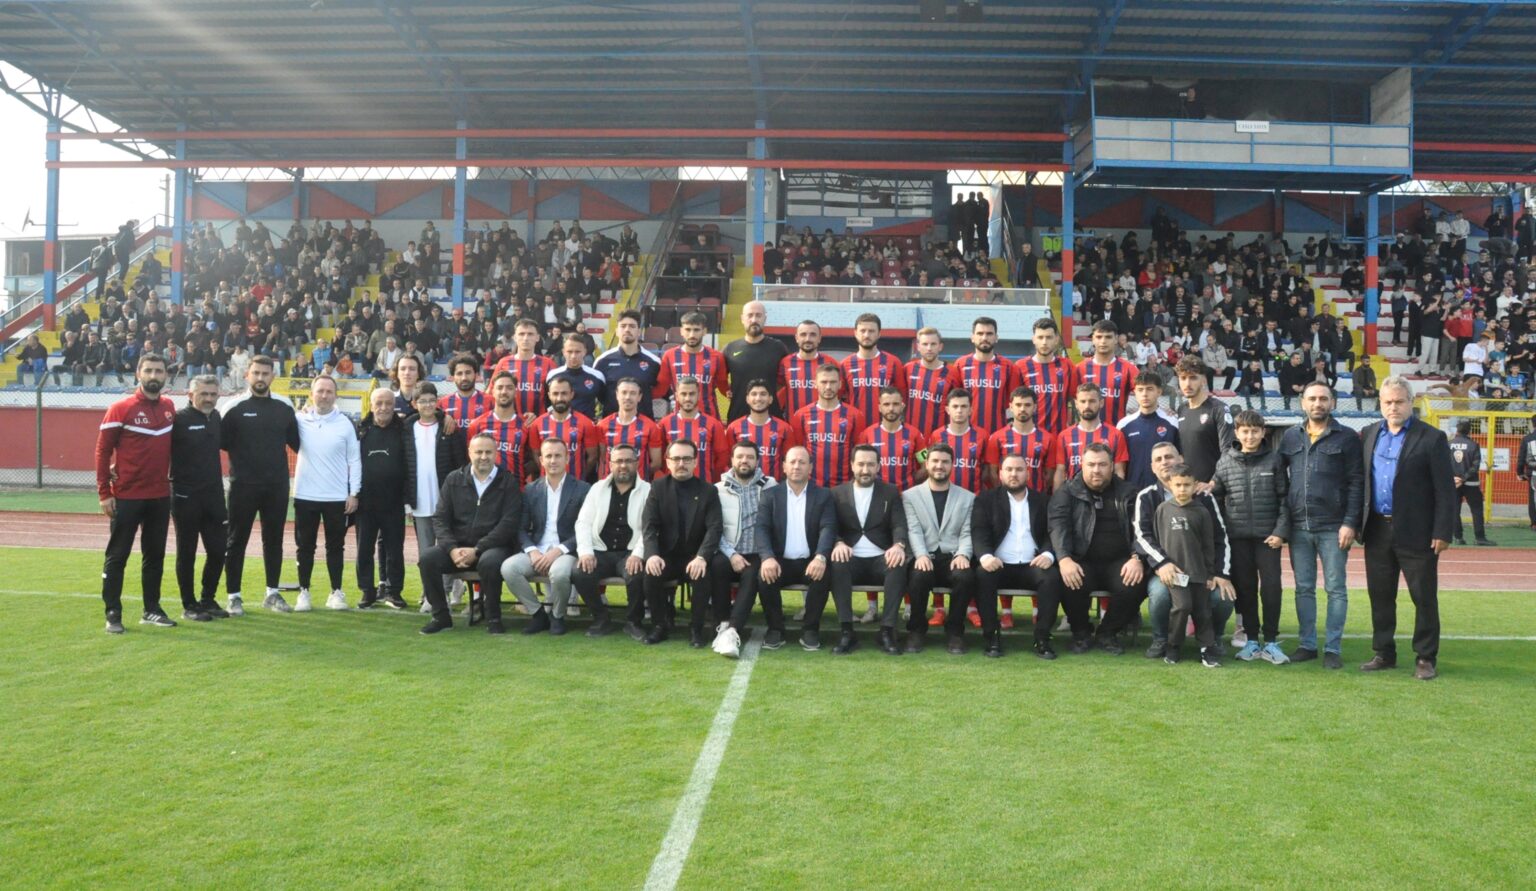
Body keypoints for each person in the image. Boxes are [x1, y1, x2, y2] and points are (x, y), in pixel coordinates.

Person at [1359, 377, 1457, 681]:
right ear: (1380, 403)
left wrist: (1443, 531)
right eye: (1387, 402)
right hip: (1377, 529)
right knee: (1380, 595)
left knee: (1423, 597)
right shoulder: (1368, 434)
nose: (1393, 407)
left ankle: (1426, 657)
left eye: (1399, 401)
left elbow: (1445, 490)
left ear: (1410, 402)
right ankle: (1384, 652)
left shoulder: (1432, 438)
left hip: (1418, 532)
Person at [1278, 381, 1365, 668]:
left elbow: (1356, 483)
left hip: (1333, 526)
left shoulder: (1348, 438)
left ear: (1333, 403)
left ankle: (1333, 649)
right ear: (1303, 403)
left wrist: (1350, 522)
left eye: (1323, 399)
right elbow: (1280, 481)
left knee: (1336, 588)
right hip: (1298, 527)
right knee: (1303, 587)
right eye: (1312, 399)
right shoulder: (1290, 437)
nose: (1318, 403)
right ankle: (1307, 644)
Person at [95, 353, 178, 633]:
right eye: (149, 371)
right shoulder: (120, 408)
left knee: (154, 557)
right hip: (127, 496)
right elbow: (102, 451)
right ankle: (113, 613)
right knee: (118, 556)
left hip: (159, 496)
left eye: (159, 371)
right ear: (138, 374)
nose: (154, 376)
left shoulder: (169, 407)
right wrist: (104, 492)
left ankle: (151, 609)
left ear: (166, 375)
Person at [1131, 441, 1236, 660]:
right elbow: (1143, 536)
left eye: (1169, 457)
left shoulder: (1204, 498)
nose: (1164, 462)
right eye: (1158, 459)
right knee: (1160, 594)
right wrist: (1162, 563)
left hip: (1200, 570)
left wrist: (1220, 573)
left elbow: (1219, 537)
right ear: (1152, 467)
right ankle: (1162, 639)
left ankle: (1212, 641)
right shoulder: (1147, 497)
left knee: (1223, 596)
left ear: (1180, 460)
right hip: (1164, 569)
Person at [418, 432, 523, 635]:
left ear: (496, 454)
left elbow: (509, 523)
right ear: (469, 452)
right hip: (457, 548)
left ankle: (493, 618)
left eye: (488, 452)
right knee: (428, 558)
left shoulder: (507, 481)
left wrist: (478, 548)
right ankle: (441, 617)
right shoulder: (454, 479)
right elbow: (440, 519)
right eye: (479, 452)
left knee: (490, 562)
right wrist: (451, 549)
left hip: (492, 548)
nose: (483, 457)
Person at [1048, 443, 1147, 654]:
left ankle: (1108, 632)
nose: (1096, 470)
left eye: (1102, 464)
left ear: (1112, 466)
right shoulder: (1067, 492)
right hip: (1080, 559)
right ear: (1081, 465)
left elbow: (1142, 529)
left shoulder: (1129, 493)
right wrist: (1064, 559)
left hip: (1120, 560)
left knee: (1133, 583)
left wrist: (1137, 557)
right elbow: (1058, 527)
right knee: (1069, 581)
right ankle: (1081, 633)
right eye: (1091, 464)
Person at [1210, 410, 1290, 663]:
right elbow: (1215, 498)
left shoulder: (1275, 460)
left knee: (1272, 589)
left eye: (1255, 430)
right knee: (1245, 589)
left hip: (1269, 539)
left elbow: (1285, 500)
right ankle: (1252, 640)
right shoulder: (1225, 461)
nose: (1250, 435)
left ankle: (1272, 641)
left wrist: (1280, 532)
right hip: (1238, 539)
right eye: (1245, 431)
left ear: (1263, 432)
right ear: (1237, 433)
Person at [222, 355, 299, 615]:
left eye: (266, 374)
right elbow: (219, 443)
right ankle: (233, 596)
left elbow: (296, 442)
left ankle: (273, 593)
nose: (261, 378)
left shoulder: (285, 406)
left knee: (274, 540)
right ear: (247, 375)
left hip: (276, 486)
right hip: (242, 486)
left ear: (273, 377)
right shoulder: (232, 406)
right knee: (236, 540)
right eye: (256, 373)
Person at [970, 454, 1065, 659]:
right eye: (1009, 470)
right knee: (982, 575)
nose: (1014, 474)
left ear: (1028, 474)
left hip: (1032, 564)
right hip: (999, 564)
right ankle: (991, 637)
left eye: (1019, 470)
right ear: (1001, 473)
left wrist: (1048, 554)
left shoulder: (1042, 500)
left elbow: (1053, 531)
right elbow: (979, 532)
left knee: (1051, 578)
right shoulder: (986, 499)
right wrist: (985, 556)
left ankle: (1042, 638)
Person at [750, 446, 840, 652]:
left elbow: (828, 527)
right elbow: (761, 528)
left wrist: (820, 558)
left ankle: (810, 629)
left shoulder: (824, 495)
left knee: (823, 575)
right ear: (784, 467)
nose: (796, 466)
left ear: (810, 467)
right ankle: (775, 629)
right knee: (764, 576)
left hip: (810, 560)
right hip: (780, 560)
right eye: (792, 462)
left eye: (802, 462)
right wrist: (767, 558)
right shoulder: (770, 495)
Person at [637, 439, 723, 644]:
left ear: (695, 462)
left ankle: (697, 628)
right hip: (666, 555)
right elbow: (649, 526)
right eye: (676, 459)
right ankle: (660, 625)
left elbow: (714, 528)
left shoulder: (708, 491)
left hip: (695, 556)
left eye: (686, 459)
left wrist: (702, 557)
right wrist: (652, 555)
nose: (681, 463)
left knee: (703, 575)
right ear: (667, 462)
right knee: (650, 572)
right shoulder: (657, 487)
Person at [502, 439, 591, 635]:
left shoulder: (583, 489)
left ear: (567, 458)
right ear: (541, 460)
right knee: (509, 568)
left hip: (567, 551)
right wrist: (532, 551)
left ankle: (557, 616)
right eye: (548, 456)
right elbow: (521, 528)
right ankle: (538, 614)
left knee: (559, 573)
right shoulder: (531, 490)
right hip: (538, 549)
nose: (553, 460)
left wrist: (559, 550)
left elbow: (586, 529)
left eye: (558, 455)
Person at [828, 445, 909, 655]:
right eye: (861, 464)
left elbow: (899, 523)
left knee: (899, 564)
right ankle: (847, 631)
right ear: (852, 465)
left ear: (878, 467)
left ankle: (887, 630)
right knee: (837, 564)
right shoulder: (837, 493)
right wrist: (837, 542)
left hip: (881, 556)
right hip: (851, 556)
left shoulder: (890, 491)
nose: (865, 470)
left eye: (870, 465)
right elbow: (829, 526)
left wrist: (898, 545)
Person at [291, 375, 361, 611]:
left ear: (335, 395)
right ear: (312, 393)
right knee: (305, 547)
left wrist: (354, 492)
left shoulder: (345, 424)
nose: (324, 395)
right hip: (305, 495)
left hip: (336, 497)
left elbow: (355, 459)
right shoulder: (299, 419)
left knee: (335, 547)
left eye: (329, 391)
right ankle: (304, 592)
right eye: (320, 391)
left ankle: (336, 592)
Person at [1154, 464, 1234, 667]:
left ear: (1195, 486)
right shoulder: (1163, 510)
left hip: (1198, 573)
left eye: (1187, 485)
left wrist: (1209, 574)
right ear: (1170, 485)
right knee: (1182, 607)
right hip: (1175, 574)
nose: (1182, 489)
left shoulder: (1202, 511)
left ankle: (1207, 649)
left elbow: (1209, 545)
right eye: (1178, 485)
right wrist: (1164, 564)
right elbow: (1157, 540)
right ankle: (1173, 645)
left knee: (1202, 611)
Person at [901, 444, 975, 653]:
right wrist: (921, 555)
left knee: (965, 576)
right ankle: (916, 630)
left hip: (953, 556)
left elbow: (967, 532)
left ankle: (955, 632)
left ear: (953, 465)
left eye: (944, 462)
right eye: (935, 461)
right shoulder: (910, 496)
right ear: (927, 464)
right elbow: (913, 530)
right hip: (926, 554)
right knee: (918, 576)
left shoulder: (967, 497)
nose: (939, 466)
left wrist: (963, 554)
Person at [571, 443, 650, 638]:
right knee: (580, 572)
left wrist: (638, 555)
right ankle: (601, 618)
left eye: (628, 461)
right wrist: (586, 552)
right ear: (610, 465)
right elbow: (583, 523)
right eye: (618, 461)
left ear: (637, 463)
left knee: (638, 574)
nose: (623, 466)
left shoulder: (648, 490)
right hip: (601, 551)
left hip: (630, 551)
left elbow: (650, 528)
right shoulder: (597, 489)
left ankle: (633, 621)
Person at [170, 374, 230, 622]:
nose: (208, 399)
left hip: (214, 495)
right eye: (203, 394)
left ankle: (208, 598)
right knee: (187, 552)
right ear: (190, 395)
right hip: (186, 497)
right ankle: (189, 605)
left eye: (213, 394)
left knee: (218, 550)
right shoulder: (178, 421)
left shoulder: (216, 417)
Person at [712, 441, 777, 657]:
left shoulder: (771, 486)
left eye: (749, 457)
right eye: (739, 456)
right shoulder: (718, 489)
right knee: (717, 566)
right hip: (728, 551)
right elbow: (714, 528)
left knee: (751, 575)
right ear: (732, 460)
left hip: (758, 552)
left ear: (757, 461)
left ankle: (732, 630)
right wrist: (731, 554)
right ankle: (722, 624)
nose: (744, 461)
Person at [356, 387, 410, 610]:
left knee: (395, 549)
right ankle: (367, 591)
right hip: (366, 502)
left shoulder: (404, 429)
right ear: (371, 404)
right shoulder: (360, 430)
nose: (384, 408)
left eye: (388, 403)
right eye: (379, 403)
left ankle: (394, 591)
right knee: (363, 549)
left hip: (394, 501)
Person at [945, 317, 1019, 435]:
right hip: (966, 434)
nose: (984, 338)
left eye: (989, 334)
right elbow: (953, 401)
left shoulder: (1008, 366)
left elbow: (1014, 402)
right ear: (972, 338)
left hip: (997, 434)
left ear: (996, 338)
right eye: (980, 333)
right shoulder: (960, 364)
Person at [839, 313, 908, 429]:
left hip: (886, 430)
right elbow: (839, 399)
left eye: (871, 331)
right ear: (855, 333)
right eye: (863, 331)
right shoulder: (845, 364)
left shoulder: (893, 362)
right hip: (855, 428)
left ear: (879, 334)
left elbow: (902, 398)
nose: (866, 335)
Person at [723, 300, 790, 421]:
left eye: (758, 315)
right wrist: (728, 390)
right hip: (738, 417)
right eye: (750, 315)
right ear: (742, 319)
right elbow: (718, 377)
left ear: (765, 318)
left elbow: (787, 380)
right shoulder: (730, 348)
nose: (754, 320)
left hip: (771, 418)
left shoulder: (778, 348)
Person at [659, 375, 733, 484]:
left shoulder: (714, 424)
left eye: (692, 394)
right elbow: (660, 458)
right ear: (676, 396)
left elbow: (722, 459)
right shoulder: (665, 424)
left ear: (698, 395)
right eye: (683, 394)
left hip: (704, 487)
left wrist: (711, 479)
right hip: (673, 487)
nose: (688, 398)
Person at [526, 376, 601, 482]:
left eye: (564, 393)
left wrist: (579, 477)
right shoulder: (537, 424)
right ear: (549, 395)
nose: (560, 398)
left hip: (576, 485)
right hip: (547, 485)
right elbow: (536, 454)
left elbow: (593, 457)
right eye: (555, 393)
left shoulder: (586, 423)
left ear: (571, 394)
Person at [656, 311, 730, 419]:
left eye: (696, 330)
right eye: (688, 329)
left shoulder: (717, 357)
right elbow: (661, 388)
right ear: (681, 331)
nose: (692, 335)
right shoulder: (669, 356)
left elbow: (725, 388)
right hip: (679, 419)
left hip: (710, 418)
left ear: (704, 331)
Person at [1117, 371, 1181, 492]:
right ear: (1135, 392)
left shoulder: (1173, 422)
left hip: (1167, 493)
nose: (1145, 394)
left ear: (1159, 391)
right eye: (1140, 390)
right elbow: (1120, 465)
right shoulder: (1124, 425)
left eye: (1150, 389)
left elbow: (1181, 458)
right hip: (1133, 491)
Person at [1174, 355, 1233, 485]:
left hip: (1212, 489)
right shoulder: (1181, 409)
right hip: (1187, 489)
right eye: (1183, 378)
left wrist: (1213, 483)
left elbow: (1227, 452)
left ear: (1204, 380)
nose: (1187, 384)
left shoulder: (1219, 409)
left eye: (1193, 378)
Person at [1016, 316, 1080, 435]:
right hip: (1029, 435)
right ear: (1033, 339)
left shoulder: (1067, 365)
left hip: (1059, 435)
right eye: (1040, 337)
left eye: (1049, 337)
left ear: (1056, 339)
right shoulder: (1021, 366)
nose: (1044, 342)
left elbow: (1076, 399)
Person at [595, 310, 664, 419]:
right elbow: (598, 394)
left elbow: (661, 391)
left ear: (639, 332)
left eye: (632, 326)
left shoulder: (654, 362)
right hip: (611, 427)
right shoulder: (602, 361)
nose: (627, 329)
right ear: (617, 331)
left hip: (643, 427)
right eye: (623, 326)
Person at [1057, 382, 1130, 485]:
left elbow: (1119, 471)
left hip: (1106, 495)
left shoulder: (1116, 435)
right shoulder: (1064, 436)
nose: (1087, 406)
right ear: (1076, 404)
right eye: (1083, 401)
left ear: (1101, 403)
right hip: (1073, 496)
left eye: (1092, 401)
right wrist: (1057, 499)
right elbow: (1060, 471)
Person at [726, 379, 799, 481]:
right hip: (743, 488)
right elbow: (728, 461)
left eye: (763, 394)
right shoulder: (733, 428)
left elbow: (790, 461)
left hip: (773, 489)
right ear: (747, 399)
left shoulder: (784, 428)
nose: (758, 398)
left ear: (770, 399)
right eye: (754, 394)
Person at [492, 318, 558, 422]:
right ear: (515, 337)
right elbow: (492, 394)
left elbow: (557, 397)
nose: (525, 338)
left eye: (530, 334)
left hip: (540, 423)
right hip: (510, 423)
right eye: (521, 334)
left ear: (537, 338)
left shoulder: (549, 364)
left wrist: (547, 415)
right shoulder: (503, 363)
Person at [777, 319, 844, 419]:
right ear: (796, 338)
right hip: (794, 424)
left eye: (813, 335)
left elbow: (840, 394)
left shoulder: (831, 363)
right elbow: (780, 391)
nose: (808, 339)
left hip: (824, 426)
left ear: (819, 338)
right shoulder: (785, 363)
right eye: (803, 334)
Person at [1077, 320, 1139, 427]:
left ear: (1116, 339)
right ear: (1093, 339)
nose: (1103, 341)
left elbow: (1145, 393)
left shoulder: (1129, 369)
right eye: (1099, 337)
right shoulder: (1079, 369)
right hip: (1086, 434)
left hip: (1117, 433)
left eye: (1108, 337)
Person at [1448, 419, 1495, 546]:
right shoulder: (1474, 445)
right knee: (1476, 510)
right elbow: (1475, 466)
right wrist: (1463, 478)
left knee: (1454, 510)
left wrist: (1454, 478)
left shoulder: (1449, 444)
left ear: (1457, 430)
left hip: (1453, 483)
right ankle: (1479, 538)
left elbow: (1443, 464)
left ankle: (1458, 537)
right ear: (1469, 431)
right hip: (1471, 483)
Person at [546, 334, 606, 420]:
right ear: (563, 352)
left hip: (587, 428)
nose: (573, 356)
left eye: (577, 352)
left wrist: (600, 418)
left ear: (585, 352)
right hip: (560, 427)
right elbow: (546, 403)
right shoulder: (552, 375)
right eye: (570, 352)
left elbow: (606, 402)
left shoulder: (597, 376)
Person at [904, 326, 949, 437]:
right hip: (911, 437)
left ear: (940, 347)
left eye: (933, 344)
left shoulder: (951, 373)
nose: (929, 348)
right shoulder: (907, 369)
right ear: (918, 347)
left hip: (939, 439)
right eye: (925, 344)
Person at [438, 354, 489, 426]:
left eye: (468, 373)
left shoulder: (491, 401)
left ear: (476, 375)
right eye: (459, 373)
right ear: (452, 378)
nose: (464, 378)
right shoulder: (442, 403)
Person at [1517, 416, 1536, 531]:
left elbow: (1521, 458)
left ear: (1532, 424)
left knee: (1533, 499)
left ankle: (1534, 523)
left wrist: (1520, 472)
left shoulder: (1527, 439)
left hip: (1533, 473)